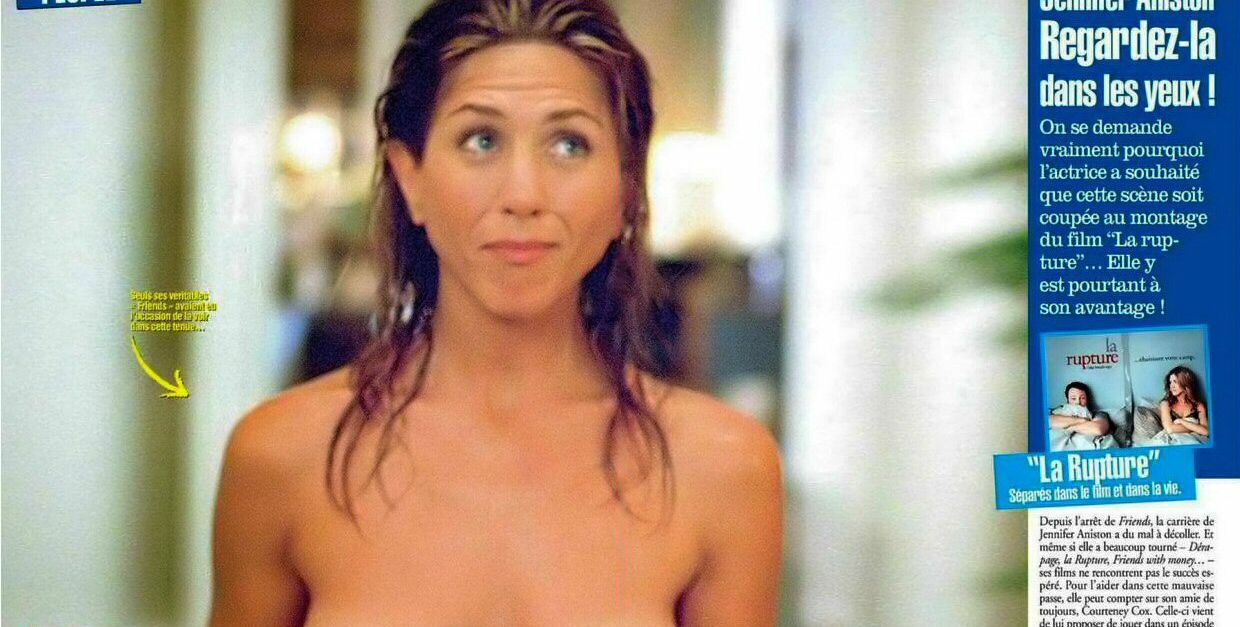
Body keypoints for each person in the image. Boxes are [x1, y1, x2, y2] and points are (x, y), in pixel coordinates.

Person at [209, 1, 784, 625]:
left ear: (625, 189)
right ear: (410, 178)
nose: (523, 195)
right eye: (481, 140)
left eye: (569, 144)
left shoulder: (723, 468)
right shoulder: (283, 457)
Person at [1048, 381, 1117, 451]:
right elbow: (1048, 421)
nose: (1078, 402)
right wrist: (1082, 420)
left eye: (1082, 398)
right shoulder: (1059, 412)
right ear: (1067, 400)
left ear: (1087, 400)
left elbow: (1098, 429)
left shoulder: (1098, 414)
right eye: (1073, 398)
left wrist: (1070, 427)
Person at [1150, 365, 1209, 446]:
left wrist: (1182, 421)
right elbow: (1169, 429)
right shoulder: (1165, 404)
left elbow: (1206, 432)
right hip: (1171, 439)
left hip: (1192, 440)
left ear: (1185, 383)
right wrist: (1196, 428)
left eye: (1175, 381)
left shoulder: (1199, 405)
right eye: (1170, 382)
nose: (1171, 386)